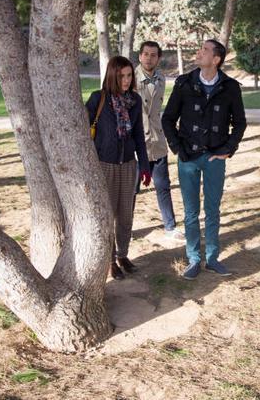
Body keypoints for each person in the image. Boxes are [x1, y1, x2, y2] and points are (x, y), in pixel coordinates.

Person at [162, 39, 246, 280]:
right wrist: (178, 148)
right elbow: (168, 119)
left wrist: (228, 148)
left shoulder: (230, 87)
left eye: (205, 50)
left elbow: (239, 123)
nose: (199, 52)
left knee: (212, 210)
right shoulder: (184, 83)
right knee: (190, 212)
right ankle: (193, 259)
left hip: (214, 159)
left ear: (216, 59)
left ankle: (212, 258)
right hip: (188, 157)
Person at [86, 56, 152, 280]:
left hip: (128, 166)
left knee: (125, 215)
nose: (126, 80)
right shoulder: (98, 99)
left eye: (129, 75)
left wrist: (144, 166)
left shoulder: (134, 100)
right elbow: (83, 131)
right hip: (104, 166)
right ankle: (110, 260)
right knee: (107, 216)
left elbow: (138, 137)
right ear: (112, 75)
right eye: (122, 75)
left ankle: (123, 255)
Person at [134, 41, 184, 241]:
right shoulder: (128, 77)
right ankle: (122, 230)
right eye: (146, 54)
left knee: (163, 186)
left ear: (158, 58)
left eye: (153, 55)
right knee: (130, 190)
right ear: (140, 56)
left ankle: (170, 227)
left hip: (157, 142)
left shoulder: (161, 79)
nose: (149, 58)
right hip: (136, 144)